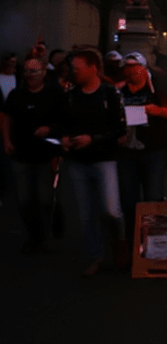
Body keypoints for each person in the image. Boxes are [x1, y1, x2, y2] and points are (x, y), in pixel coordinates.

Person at [53, 49, 128, 276]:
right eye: (72, 68)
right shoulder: (71, 95)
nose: (73, 72)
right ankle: (96, 256)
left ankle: (119, 242)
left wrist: (92, 139)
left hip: (104, 159)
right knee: (86, 213)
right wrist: (64, 138)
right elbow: (61, 122)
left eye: (77, 68)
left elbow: (119, 129)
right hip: (77, 161)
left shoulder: (110, 94)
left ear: (93, 67)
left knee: (111, 209)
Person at [2, 57, 64, 253]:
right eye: (27, 71)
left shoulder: (54, 93)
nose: (30, 75)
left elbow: (65, 119)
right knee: (24, 199)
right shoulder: (17, 95)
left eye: (34, 71)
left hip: (46, 153)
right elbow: (5, 115)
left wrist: (50, 129)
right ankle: (35, 236)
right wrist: (6, 140)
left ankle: (55, 215)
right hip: (21, 152)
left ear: (44, 72)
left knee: (45, 197)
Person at [118, 52, 167, 230]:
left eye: (135, 68)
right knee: (128, 201)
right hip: (127, 153)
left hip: (154, 151)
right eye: (127, 68)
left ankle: (153, 244)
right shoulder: (119, 91)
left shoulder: (157, 90)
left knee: (153, 197)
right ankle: (133, 242)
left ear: (144, 70)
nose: (131, 72)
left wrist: (158, 111)